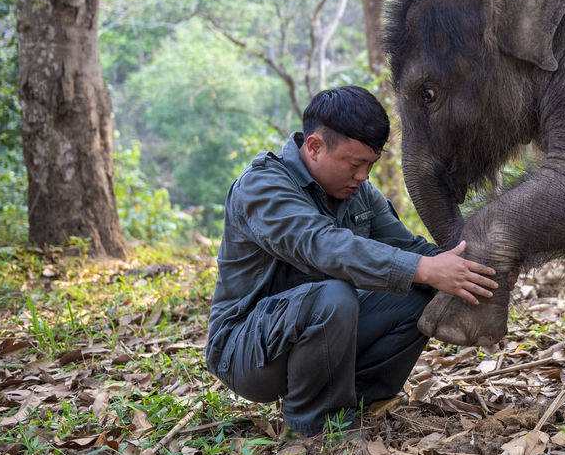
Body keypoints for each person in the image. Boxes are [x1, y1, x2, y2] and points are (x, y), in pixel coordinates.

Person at [205, 85, 498, 435]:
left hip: (319, 334)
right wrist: (424, 269)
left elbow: (407, 248)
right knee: (336, 296)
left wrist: (472, 267)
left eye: (371, 165)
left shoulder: (359, 193)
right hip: (245, 351)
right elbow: (321, 245)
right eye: (355, 164)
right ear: (314, 147)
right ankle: (316, 425)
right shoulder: (263, 186)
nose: (363, 176)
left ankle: (360, 400)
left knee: (421, 287)